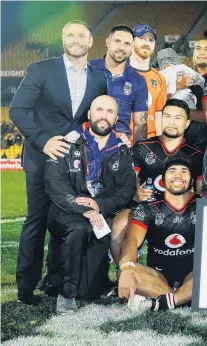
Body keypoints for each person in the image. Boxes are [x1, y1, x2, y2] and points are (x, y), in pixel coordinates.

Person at [9, 20, 107, 304]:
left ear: (90, 42)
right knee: (37, 221)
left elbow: (90, 120)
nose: (75, 40)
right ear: (62, 39)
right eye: (69, 35)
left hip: (74, 165)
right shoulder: (42, 69)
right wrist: (44, 140)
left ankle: (54, 281)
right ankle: (26, 287)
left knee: (64, 221)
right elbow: (18, 110)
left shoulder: (98, 78)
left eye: (81, 36)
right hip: (42, 158)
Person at [44, 95, 136, 313]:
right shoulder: (67, 142)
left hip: (100, 215)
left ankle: (58, 280)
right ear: (89, 114)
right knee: (79, 227)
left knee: (90, 292)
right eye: (99, 110)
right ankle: (65, 297)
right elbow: (54, 183)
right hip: (65, 212)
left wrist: (100, 205)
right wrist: (82, 209)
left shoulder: (122, 150)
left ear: (116, 119)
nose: (103, 116)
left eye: (110, 112)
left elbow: (126, 189)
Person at [111, 99, 204, 276]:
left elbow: (200, 191)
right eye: (167, 116)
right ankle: (126, 278)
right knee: (119, 226)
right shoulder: (143, 147)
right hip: (146, 208)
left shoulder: (196, 153)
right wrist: (135, 194)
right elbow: (129, 183)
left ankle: (191, 276)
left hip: (180, 210)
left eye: (178, 118)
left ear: (187, 123)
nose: (171, 121)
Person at [118, 157, 197, 311]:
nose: (178, 176)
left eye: (184, 171)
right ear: (163, 179)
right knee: (127, 269)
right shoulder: (149, 207)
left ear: (192, 180)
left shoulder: (202, 204)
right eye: (172, 171)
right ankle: (182, 297)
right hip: (158, 277)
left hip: (193, 276)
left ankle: (166, 301)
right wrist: (127, 268)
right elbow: (132, 239)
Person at [90, 25, 148, 142]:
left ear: (132, 47)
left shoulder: (138, 80)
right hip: (87, 142)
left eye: (127, 44)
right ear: (107, 42)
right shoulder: (88, 69)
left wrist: (136, 153)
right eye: (117, 41)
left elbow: (140, 124)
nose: (121, 47)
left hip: (119, 145)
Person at [129, 23, 167, 138]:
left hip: (149, 143)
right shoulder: (118, 73)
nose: (147, 43)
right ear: (132, 42)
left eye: (151, 40)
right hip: (122, 142)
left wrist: (158, 145)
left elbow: (158, 117)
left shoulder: (159, 78)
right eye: (141, 39)